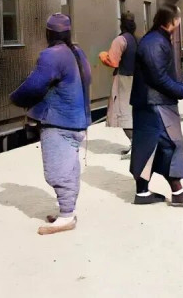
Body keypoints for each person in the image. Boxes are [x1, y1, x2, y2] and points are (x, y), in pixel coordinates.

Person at [9, 13, 91, 235]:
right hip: (78, 121)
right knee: (70, 168)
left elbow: (34, 86)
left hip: (59, 122)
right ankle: (68, 210)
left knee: (57, 171)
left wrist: (15, 99)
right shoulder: (77, 52)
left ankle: (66, 217)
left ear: (48, 33)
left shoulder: (51, 55)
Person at [129, 4, 183, 206]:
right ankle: (177, 190)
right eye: (179, 18)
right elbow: (157, 77)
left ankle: (143, 193)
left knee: (150, 147)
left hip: (150, 102)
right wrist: (180, 90)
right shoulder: (155, 42)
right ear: (173, 21)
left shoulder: (155, 39)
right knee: (171, 144)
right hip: (156, 103)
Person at [98, 12, 137, 159]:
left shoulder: (120, 40)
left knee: (122, 114)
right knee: (131, 114)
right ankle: (136, 144)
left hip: (123, 81)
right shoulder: (135, 39)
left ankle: (135, 145)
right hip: (136, 79)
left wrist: (103, 56)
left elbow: (113, 61)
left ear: (121, 24)